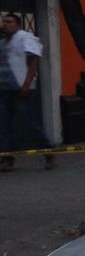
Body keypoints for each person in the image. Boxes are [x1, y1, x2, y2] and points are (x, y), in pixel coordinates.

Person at [0, 13, 52, 171]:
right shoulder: (3, 43)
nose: (5, 24)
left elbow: (33, 62)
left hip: (22, 89)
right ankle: (7, 159)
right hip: (5, 89)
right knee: (3, 125)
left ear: (17, 24)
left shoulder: (25, 38)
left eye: (9, 21)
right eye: (4, 22)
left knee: (32, 124)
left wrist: (27, 84)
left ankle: (49, 154)